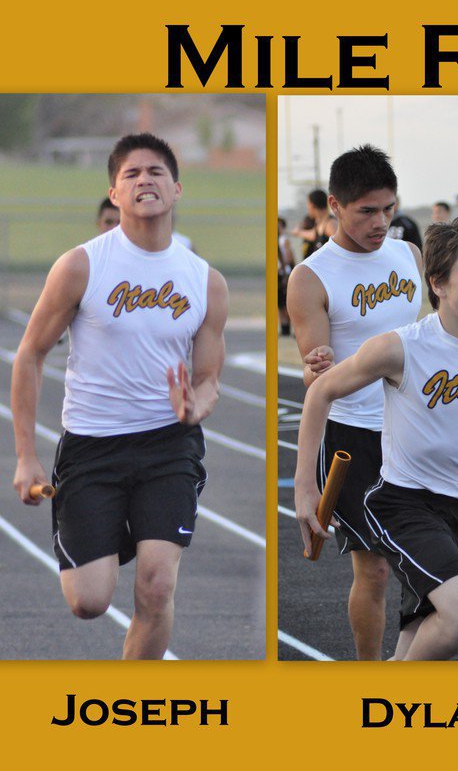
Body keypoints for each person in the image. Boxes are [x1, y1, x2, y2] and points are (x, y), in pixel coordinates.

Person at [293, 215, 458, 660]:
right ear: (438, 283)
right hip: (403, 504)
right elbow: (321, 390)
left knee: (418, 643)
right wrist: (306, 488)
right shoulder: (400, 347)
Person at [11, 133, 227, 659]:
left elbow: (209, 379)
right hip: (93, 445)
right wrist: (26, 457)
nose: (144, 180)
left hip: (168, 446)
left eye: (155, 172)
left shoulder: (206, 282)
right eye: (131, 174)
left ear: (177, 189)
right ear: (114, 193)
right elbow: (30, 356)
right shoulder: (81, 266)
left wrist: (197, 405)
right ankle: (114, 529)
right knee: (89, 601)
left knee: (157, 587)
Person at [286, 145, 423, 660]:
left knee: (424, 560)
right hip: (353, 433)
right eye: (367, 210)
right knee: (375, 567)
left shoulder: (410, 255)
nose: (380, 221)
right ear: (335, 206)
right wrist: (312, 364)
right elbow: (314, 373)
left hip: (414, 428)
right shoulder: (310, 277)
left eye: (388, 208)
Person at [294, 189, 336, 260]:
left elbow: (342, 247)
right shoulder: (320, 225)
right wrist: (298, 232)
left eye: (307, 204)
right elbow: (313, 235)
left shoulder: (330, 224)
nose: (307, 208)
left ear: (312, 205)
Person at [277, 216, 295, 337]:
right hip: (279, 272)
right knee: (280, 303)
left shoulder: (284, 240)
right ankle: (284, 327)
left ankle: (289, 326)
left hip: (284, 272)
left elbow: (289, 257)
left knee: (286, 302)